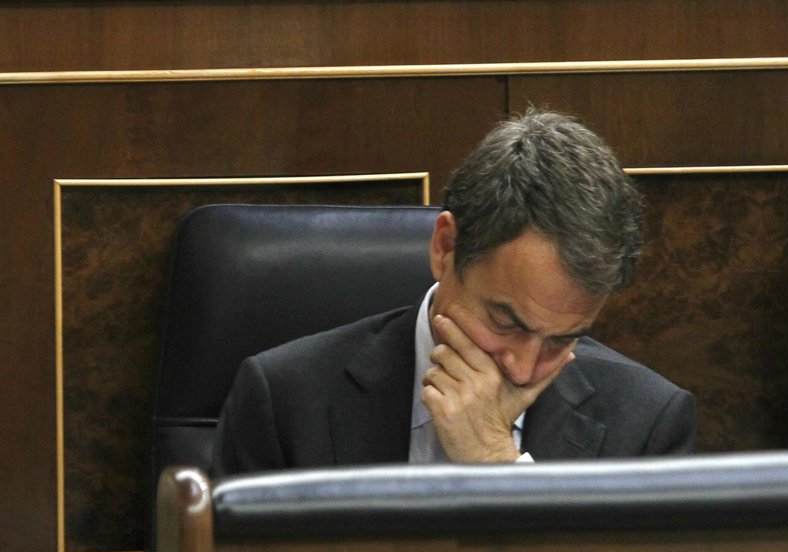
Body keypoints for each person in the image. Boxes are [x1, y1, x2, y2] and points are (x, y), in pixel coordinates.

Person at [209, 108, 696, 478]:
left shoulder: (647, 425)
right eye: (505, 321)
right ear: (445, 248)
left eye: (561, 340)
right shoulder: (286, 400)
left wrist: (497, 464)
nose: (523, 368)